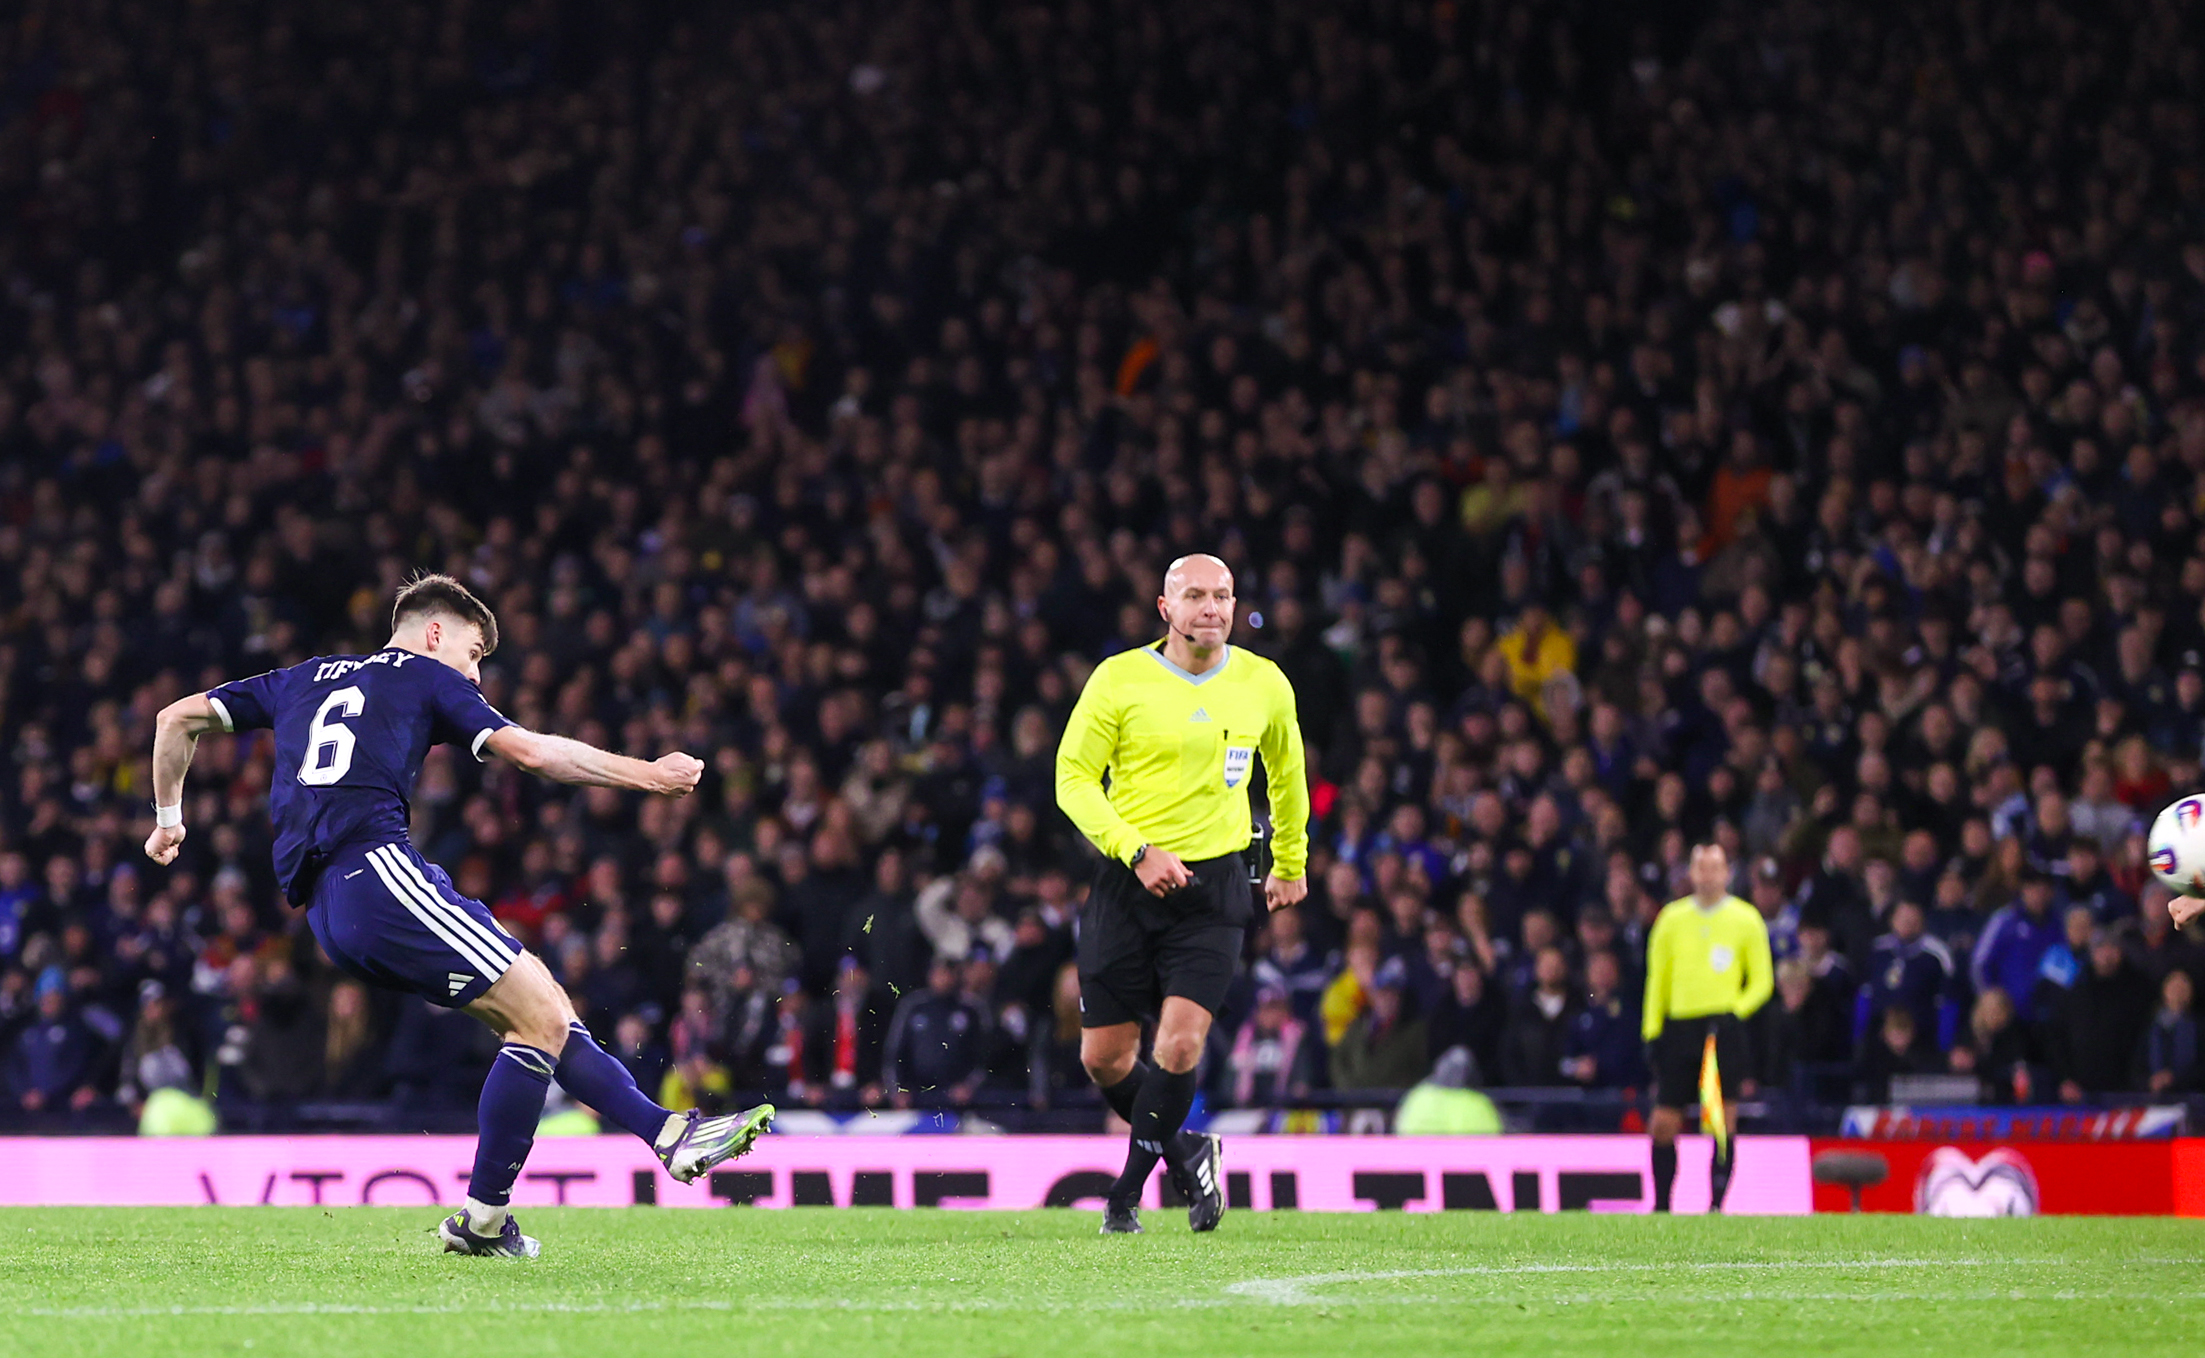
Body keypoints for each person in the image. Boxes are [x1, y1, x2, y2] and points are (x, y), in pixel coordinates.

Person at [143, 574, 772, 1258]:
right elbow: (533, 753)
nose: (474, 673)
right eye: (474, 655)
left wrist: (168, 822)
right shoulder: (424, 675)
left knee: (535, 1018)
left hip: (329, 909)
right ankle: (666, 1135)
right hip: (377, 872)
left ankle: (485, 1223)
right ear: (436, 633)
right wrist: (649, 775)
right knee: (544, 1010)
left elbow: (174, 719)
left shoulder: (300, 678)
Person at [1054, 553, 1310, 1235]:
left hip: (1213, 888)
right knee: (1103, 1058)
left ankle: (1124, 1199)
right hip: (1126, 881)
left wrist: (1289, 860)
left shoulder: (1262, 683)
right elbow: (1072, 778)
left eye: (1222, 595)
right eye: (1195, 596)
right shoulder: (1120, 679)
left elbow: (1286, 776)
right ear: (1164, 609)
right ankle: (1190, 1152)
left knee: (1177, 1046)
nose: (1211, 609)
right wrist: (1134, 851)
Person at [1642, 843, 1774, 1213]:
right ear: (1691, 872)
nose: (1708, 874)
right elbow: (1657, 979)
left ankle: (1716, 1205)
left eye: (1715, 867)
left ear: (1727, 873)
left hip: (1722, 1028)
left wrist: (1736, 1011)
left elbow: (1762, 981)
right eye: (1701, 867)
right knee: (1664, 1122)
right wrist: (1652, 1031)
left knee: (1721, 1120)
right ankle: (1662, 1206)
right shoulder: (1671, 918)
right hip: (1679, 1028)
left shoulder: (1746, 919)